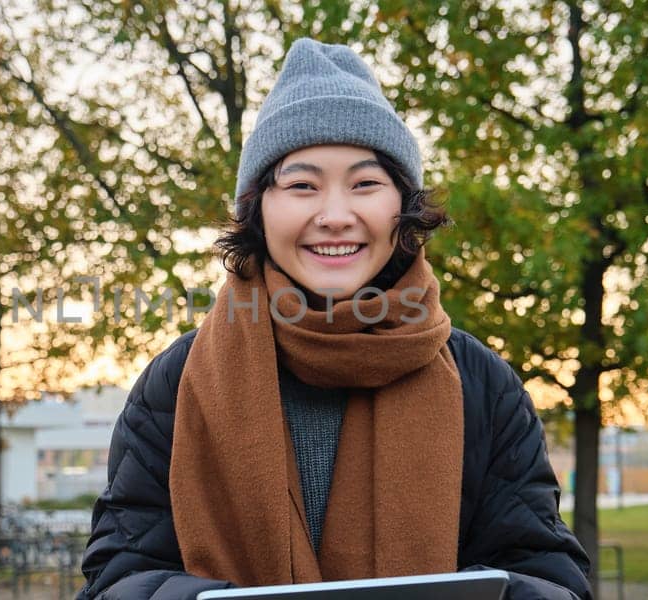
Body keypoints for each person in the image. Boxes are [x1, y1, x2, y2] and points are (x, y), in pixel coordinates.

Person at [75, 39, 591, 600]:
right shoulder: (176, 383)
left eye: (366, 184)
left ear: (404, 207)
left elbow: (547, 571)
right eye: (302, 185)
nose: (336, 216)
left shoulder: (482, 383)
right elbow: (119, 576)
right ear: (258, 210)